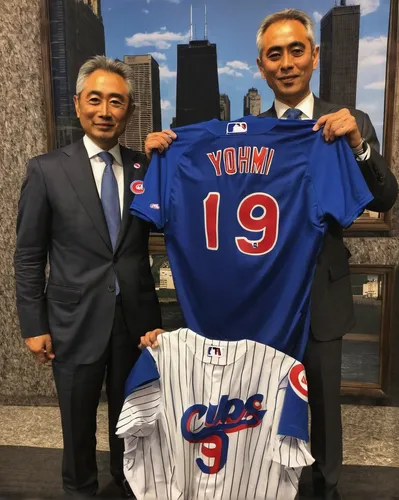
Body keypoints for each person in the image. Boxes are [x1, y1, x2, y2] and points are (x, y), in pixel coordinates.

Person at [141, 9, 398, 500]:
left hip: (319, 298)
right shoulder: (248, 130)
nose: (286, 63)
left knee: (322, 417)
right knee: (255, 413)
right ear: (261, 66)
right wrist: (166, 152)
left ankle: (325, 492)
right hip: (259, 299)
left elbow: (385, 198)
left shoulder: (348, 120)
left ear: (314, 55)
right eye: (274, 55)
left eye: (295, 50)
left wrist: (358, 145)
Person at [14, 55, 175, 498]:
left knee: (134, 420)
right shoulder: (46, 170)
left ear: (129, 110)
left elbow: (178, 223)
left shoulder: (146, 168)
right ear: (78, 104)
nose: (105, 111)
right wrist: (34, 325)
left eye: (117, 102)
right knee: (77, 423)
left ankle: (130, 485)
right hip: (72, 322)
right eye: (96, 100)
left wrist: (170, 157)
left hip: (136, 323)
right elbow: (29, 255)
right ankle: (81, 490)